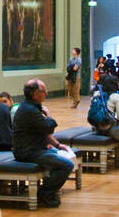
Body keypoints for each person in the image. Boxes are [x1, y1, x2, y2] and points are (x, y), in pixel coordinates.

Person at [12, 79, 76, 208]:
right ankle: (45, 193)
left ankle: (46, 190)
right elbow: (48, 127)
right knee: (67, 165)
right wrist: (49, 115)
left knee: (60, 155)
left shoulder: (32, 107)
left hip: (35, 149)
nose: (46, 94)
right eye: (44, 91)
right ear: (35, 94)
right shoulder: (29, 110)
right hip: (29, 152)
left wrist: (58, 145)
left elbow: (43, 133)